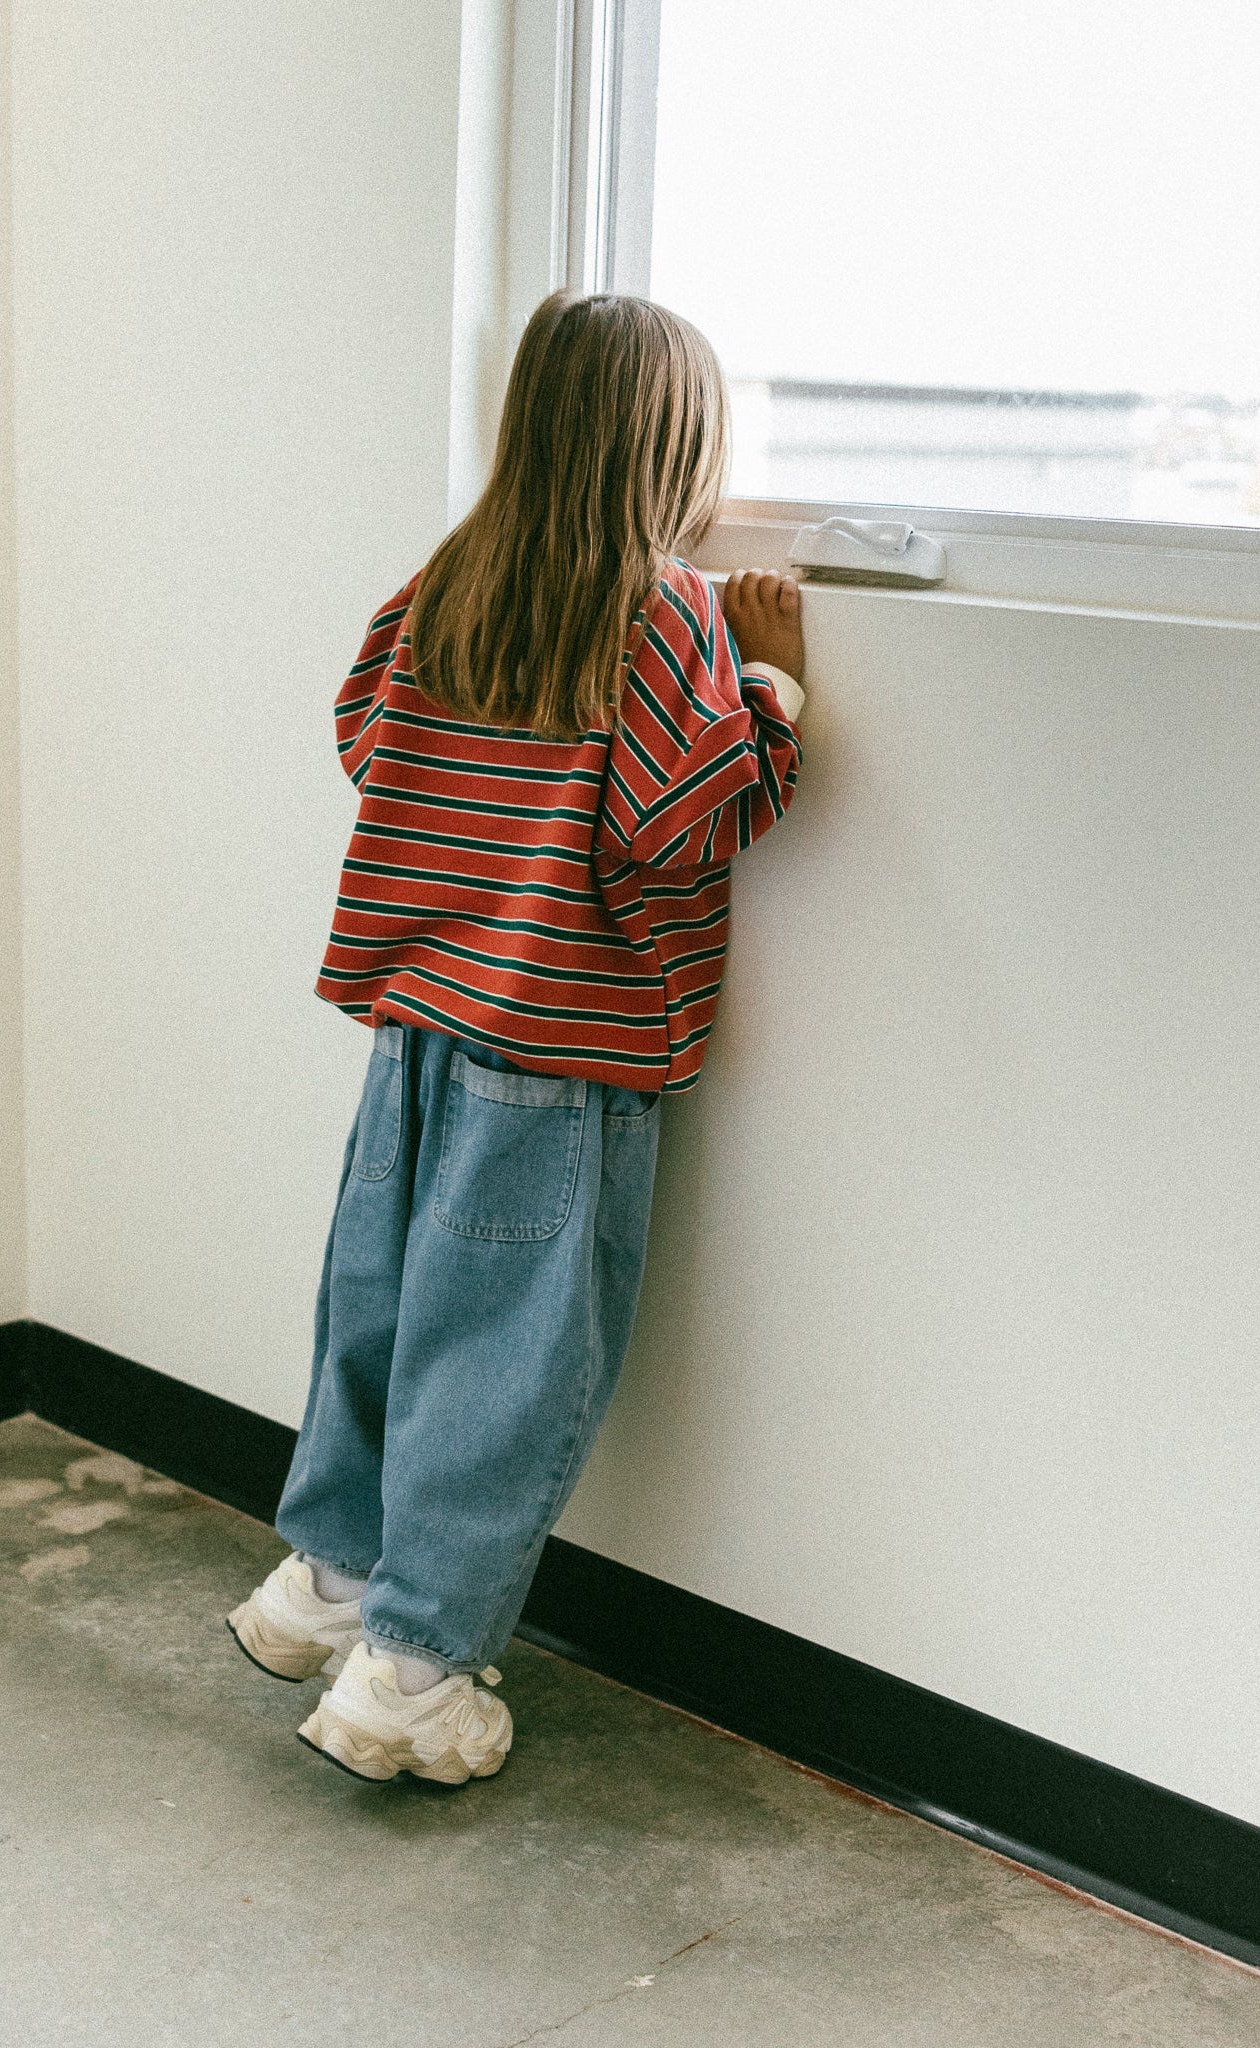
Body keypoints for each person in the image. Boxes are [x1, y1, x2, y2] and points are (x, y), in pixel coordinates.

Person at [226, 289, 806, 1785]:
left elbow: (365, 735)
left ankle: (328, 1583)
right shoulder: (664, 607)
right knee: (504, 1364)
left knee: (384, 1309)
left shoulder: (449, 578)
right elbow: (675, 825)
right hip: (559, 1053)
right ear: (671, 446)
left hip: (417, 1024)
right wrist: (772, 691)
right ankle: (411, 1673)